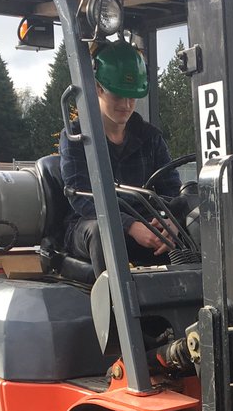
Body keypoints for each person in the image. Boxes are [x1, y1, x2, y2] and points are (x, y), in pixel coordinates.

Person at [60, 40, 183, 277]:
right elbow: (82, 197)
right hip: (88, 223)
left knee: (194, 227)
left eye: (132, 98)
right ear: (97, 87)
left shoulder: (150, 137)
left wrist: (170, 220)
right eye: (118, 96)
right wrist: (128, 225)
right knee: (103, 232)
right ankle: (113, 311)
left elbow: (171, 188)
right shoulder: (76, 137)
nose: (126, 105)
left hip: (145, 223)